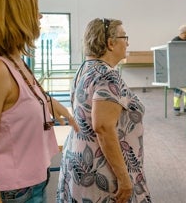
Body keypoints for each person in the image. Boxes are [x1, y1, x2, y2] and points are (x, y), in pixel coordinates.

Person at [0, 0, 79, 203]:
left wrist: (53, 105)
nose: (40, 17)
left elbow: (20, 98)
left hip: (29, 185)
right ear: (13, 16)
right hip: (8, 193)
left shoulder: (12, 62)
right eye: (33, 10)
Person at [56, 18, 151, 203]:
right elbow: (103, 128)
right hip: (103, 170)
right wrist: (124, 178)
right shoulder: (108, 76)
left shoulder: (85, 69)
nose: (128, 42)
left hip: (80, 161)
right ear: (110, 42)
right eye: (125, 37)